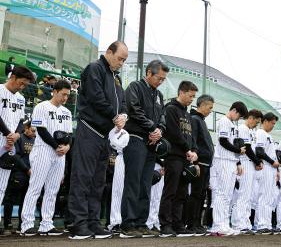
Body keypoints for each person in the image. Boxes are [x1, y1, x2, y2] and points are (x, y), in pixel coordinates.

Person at [68, 41, 128, 240]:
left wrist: (124, 116)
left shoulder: (116, 77)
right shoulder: (95, 68)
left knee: (98, 181)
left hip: (105, 135)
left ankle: (93, 222)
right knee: (82, 178)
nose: (121, 63)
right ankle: (78, 223)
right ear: (109, 52)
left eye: (124, 60)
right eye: (120, 58)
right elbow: (96, 96)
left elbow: (123, 101)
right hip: (89, 128)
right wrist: (114, 116)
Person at [120, 60, 168, 238]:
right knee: (133, 181)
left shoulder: (159, 95)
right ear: (149, 73)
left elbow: (163, 116)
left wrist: (159, 130)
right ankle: (128, 223)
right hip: (136, 138)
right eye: (159, 78)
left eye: (163, 79)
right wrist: (151, 128)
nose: (161, 81)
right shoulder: (135, 87)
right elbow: (134, 109)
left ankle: (141, 222)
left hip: (152, 143)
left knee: (145, 183)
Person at [20, 80, 73, 236]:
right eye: (63, 94)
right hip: (43, 150)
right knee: (35, 187)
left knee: (53, 190)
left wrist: (67, 146)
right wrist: (56, 146)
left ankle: (47, 224)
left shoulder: (67, 112)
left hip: (60, 153)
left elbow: (69, 134)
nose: (65, 98)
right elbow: (41, 130)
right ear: (54, 91)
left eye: (67, 95)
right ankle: (27, 224)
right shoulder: (40, 107)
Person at [158, 81, 198, 237]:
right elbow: (174, 133)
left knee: (182, 192)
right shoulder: (171, 109)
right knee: (171, 190)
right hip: (173, 156)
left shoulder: (188, 114)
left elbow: (191, 136)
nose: (192, 99)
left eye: (194, 97)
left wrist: (194, 150)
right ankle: (165, 224)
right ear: (181, 92)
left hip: (186, 157)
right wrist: (187, 149)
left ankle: (177, 223)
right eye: (190, 96)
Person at [0, 66, 34, 223]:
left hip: (9, 143)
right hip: (4, 137)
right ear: (12, 77)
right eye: (21, 82)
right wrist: (9, 134)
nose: (23, 86)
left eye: (25, 84)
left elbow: (22, 121)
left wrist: (17, 134)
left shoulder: (20, 98)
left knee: (2, 186)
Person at [209, 101, 248, 236]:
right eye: (240, 116)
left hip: (231, 160)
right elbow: (223, 141)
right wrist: (238, 150)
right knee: (222, 193)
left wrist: (238, 162)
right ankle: (218, 225)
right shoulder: (224, 120)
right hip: (223, 160)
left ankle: (224, 224)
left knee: (228, 195)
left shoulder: (232, 124)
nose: (239, 119)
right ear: (235, 110)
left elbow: (232, 144)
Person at [184, 94, 215, 234]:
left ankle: (197, 222)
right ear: (202, 105)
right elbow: (193, 141)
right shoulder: (195, 119)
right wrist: (195, 162)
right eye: (210, 107)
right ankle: (191, 223)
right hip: (200, 162)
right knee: (196, 194)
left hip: (206, 164)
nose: (210, 111)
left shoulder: (201, 120)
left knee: (201, 194)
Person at [230, 109, 263, 234]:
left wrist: (257, 161)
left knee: (248, 196)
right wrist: (257, 161)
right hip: (244, 162)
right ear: (251, 118)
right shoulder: (243, 128)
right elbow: (247, 149)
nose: (257, 124)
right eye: (257, 121)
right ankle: (238, 223)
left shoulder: (250, 130)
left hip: (250, 164)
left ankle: (245, 222)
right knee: (243, 194)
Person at [2, 120, 35, 234]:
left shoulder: (36, 140)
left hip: (30, 175)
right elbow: (16, 156)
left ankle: (22, 225)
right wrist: (27, 169)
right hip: (18, 173)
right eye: (32, 130)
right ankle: (7, 225)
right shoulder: (19, 138)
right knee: (10, 199)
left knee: (25, 201)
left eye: (35, 131)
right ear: (26, 128)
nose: (34, 133)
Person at [253, 112, 280, 234]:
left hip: (271, 168)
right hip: (266, 167)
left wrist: (276, 168)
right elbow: (259, 151)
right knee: (264, 195)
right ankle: (262, 224)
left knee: (269, 196)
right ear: (265, 121)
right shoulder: (261, 133)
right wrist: (272, 162)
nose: (273, 126)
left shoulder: (267, 135)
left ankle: (266, 223)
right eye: (272, 123)